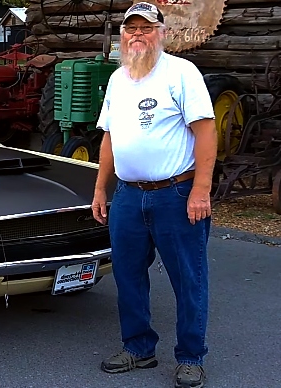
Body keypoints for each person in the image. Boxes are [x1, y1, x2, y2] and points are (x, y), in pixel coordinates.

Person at [91, 2, 217, 388]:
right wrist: (100, 187)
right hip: (129, 196)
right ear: (122, 36)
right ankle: (139, 348)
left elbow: (206, 132)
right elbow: (109, 137)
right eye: (131, 29)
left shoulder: (181, 73)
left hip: (176, 194)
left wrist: (200, 189)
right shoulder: (118, 80)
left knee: (188, 279)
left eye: (146, 28)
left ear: (162, 33)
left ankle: (191, 357)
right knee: (128, 276)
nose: (138, 35)